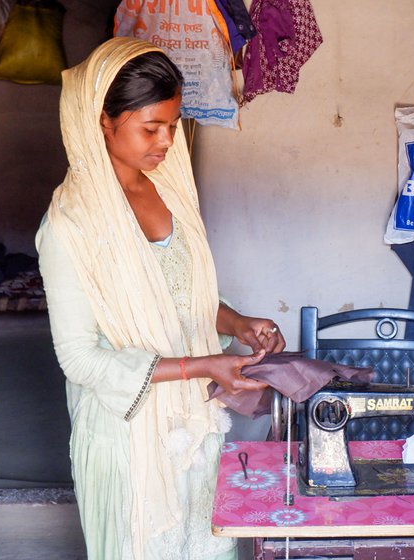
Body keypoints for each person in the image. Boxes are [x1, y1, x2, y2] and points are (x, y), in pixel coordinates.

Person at [36, 37, 286, 560]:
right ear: (102, 120)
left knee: (207, 547)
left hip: (192, 429)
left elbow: (182, 292)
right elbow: (79, 359)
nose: (166, 142)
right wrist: (204, 365)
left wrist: (237, 322)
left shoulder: (167, 188)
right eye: (151, 128)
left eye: (173, 126)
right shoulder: (70, 226)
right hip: (129, 443)